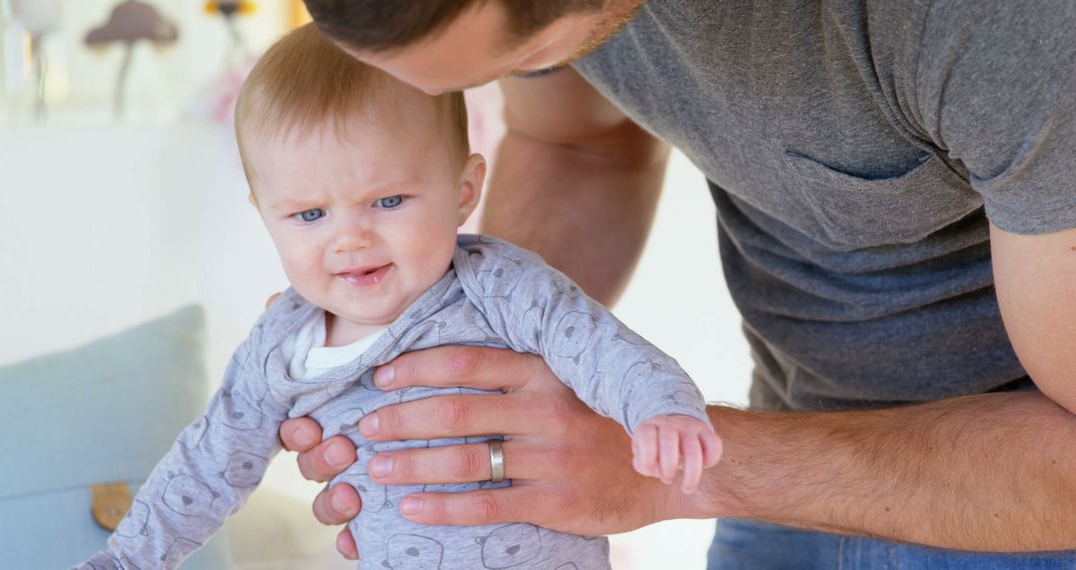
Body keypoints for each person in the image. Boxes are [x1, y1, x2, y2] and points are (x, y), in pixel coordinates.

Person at [281, 0, 1076, 567]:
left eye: (523, 61)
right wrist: (459, 366)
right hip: (780, 484)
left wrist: (670, 472)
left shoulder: (1003, 26)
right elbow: (576, 144)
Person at [74, 23, 721, 570]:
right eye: (307, 215)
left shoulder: (495, 285)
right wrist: (129, 556)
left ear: (463, 190)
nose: (350, 239)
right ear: (263, 214)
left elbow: (595, 347)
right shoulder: (282, 344)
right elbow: (210, 463)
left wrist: (659, 408)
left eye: (388, 201)